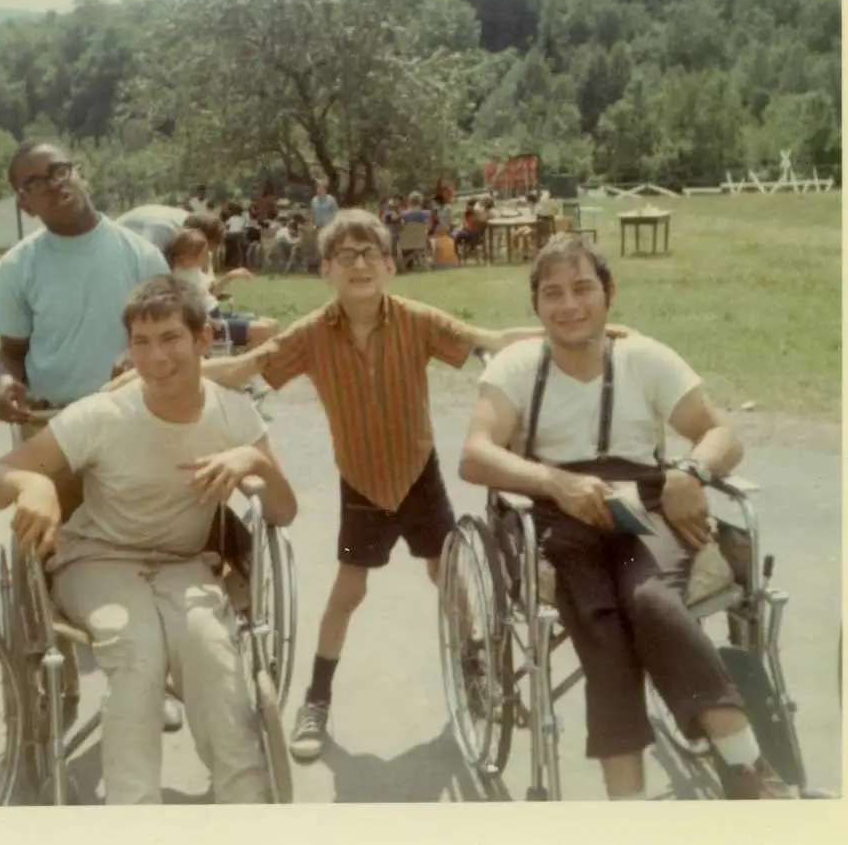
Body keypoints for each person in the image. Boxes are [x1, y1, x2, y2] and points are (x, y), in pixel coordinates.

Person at [147, 209, 625, 763]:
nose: (358, 263)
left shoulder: (416, 320)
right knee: (348, 591)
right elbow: (244, 367)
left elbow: (490, 341)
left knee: (448, 575)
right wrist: (164, 371)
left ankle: (476, 672)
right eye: (344, 255)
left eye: (370, 252)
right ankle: (317, 697)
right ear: (325, 268)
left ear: (391, 265)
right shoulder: (310, 335)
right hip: (362, 483)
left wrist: (593, 331)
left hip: (419, 474)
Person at [457, 233, 794, 801]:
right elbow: (475, 454)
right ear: (536, 306)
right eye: (552, 294)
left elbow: (722, 434)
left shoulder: (644, 358)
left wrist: (691, 471)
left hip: (644, 505)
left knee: (651, 601)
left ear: (609, 293)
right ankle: (631, 808)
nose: (569, 305)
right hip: (552, 512)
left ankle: (747, 769)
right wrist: (554, 481)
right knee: (601, 626)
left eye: (583, 288)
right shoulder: (518, 366)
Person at [0, 275, 298, 805]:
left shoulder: (234, 413)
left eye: (170, 337)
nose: (155, 357)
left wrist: (253, 460)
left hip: (183, 563)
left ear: (203, 337)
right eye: (141, 343)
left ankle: (248, 807)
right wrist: (32, 483)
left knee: (212, 653)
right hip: (95, 559)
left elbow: (283, 509)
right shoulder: (103, 415)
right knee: (137, 650)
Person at [0, 140, 261, 732]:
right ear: (23, 201)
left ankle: (150, 674)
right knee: (44, 568)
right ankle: (58, 689)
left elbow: (167, 334)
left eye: (60, 169)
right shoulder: (18, 267)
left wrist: (133, 365)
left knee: (144, 553)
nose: (54, 183)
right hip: (52, 430)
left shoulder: (138, 255)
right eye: (36, 181)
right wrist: (2, 384)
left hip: (134, 425)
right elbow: (8, 355)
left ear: (80, 171)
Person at [163, 228, 279, 351]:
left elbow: (211, 293)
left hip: (217, 314)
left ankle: (245, 359)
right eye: (203, 254)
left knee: (273, 324)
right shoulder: (181, 280)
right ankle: (242, 363)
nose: (207, 256)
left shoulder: (191, 271)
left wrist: (230, 276)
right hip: (212, 323)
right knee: (265, 331)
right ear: (184, 258)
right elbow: (188, 308)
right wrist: (209, 320)